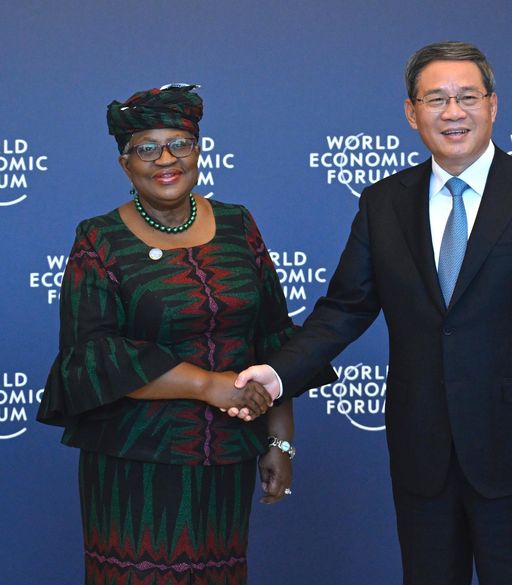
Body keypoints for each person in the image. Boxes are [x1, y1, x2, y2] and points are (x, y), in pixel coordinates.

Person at [236, 42, 512, 584]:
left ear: (493, 105)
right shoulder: (383, 202)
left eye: (466, 97)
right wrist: (277, 372)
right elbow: (344, 308)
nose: (453, 113)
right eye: (436, 99)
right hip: (421, 447)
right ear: (412, 113)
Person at [37, 83, 333, 585]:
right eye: (146, 148)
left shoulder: (239, 225)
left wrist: (280, 442)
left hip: (224, 459)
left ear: (198, 151)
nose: (165, 159)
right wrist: (205, 384)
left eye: (179, 143)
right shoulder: (98, 239)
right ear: (125, 164)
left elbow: (273, 339)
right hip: (133, 465)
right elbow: (94, 357)